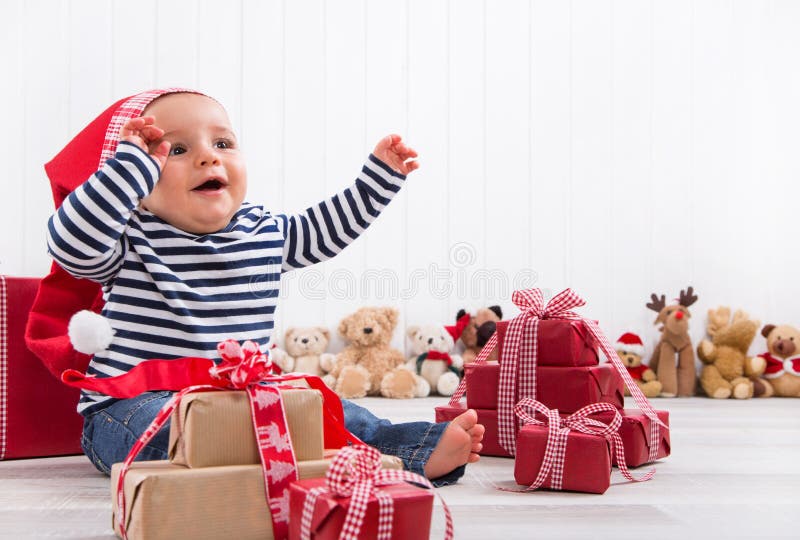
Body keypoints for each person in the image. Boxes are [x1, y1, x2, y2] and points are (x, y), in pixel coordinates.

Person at [44, 89, 484, 485]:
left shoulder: (262, 232)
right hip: (135, 404)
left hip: (243, 401)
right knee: (167, 428)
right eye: (175, 149)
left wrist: (377, 179)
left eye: (222, 143)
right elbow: (70, 245)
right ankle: (255, 461)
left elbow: (327, 229)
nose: (208, 157)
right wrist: (126, 170)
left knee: (329, 411)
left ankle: (410, 450)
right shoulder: (128, 238)